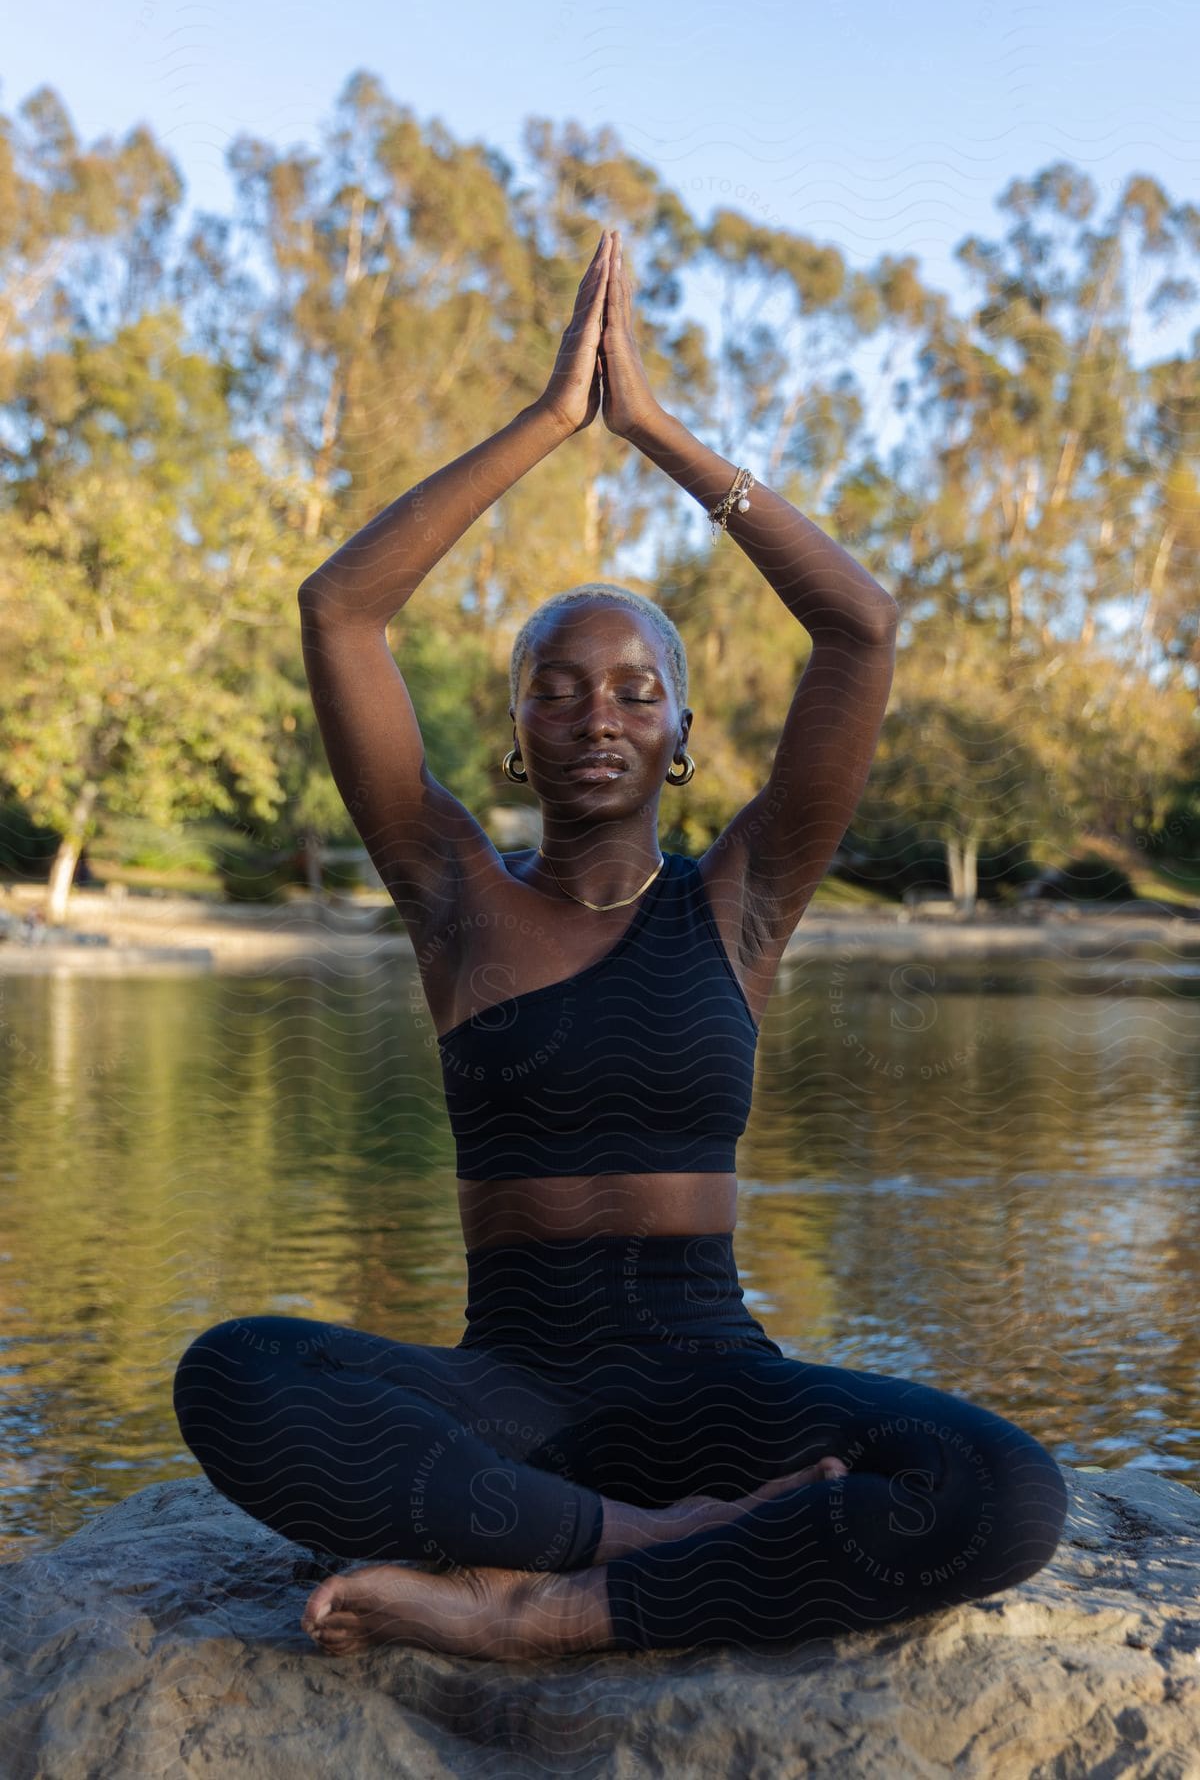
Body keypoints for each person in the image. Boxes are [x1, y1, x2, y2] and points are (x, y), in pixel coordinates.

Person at [173, 228, 1068, 1660]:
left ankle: (548, 1608)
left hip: (717, 1386)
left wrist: (650, 427)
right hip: (513, 1398)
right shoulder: (452, 891)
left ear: (681, 739)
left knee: (1003, 1494)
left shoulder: (744, 899)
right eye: (559, 689)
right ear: (519, 737)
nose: (599, 713)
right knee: (238, 1374)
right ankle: (649, 1547)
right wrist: (543, 423)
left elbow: (861, 627)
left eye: (638, 692)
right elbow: (340, 609)